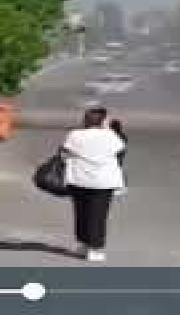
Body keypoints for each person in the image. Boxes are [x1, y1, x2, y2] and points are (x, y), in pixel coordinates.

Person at [61, 107, 126, 262]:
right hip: (103, 182)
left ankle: (83, 245)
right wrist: (111, 129)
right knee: (98, 215)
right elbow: (121, 149)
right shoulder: (111, 136)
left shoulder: (75, 134)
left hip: (78, 179)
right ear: (103, 121)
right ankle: (95, 249)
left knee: (81, 213)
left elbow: (65, 152)